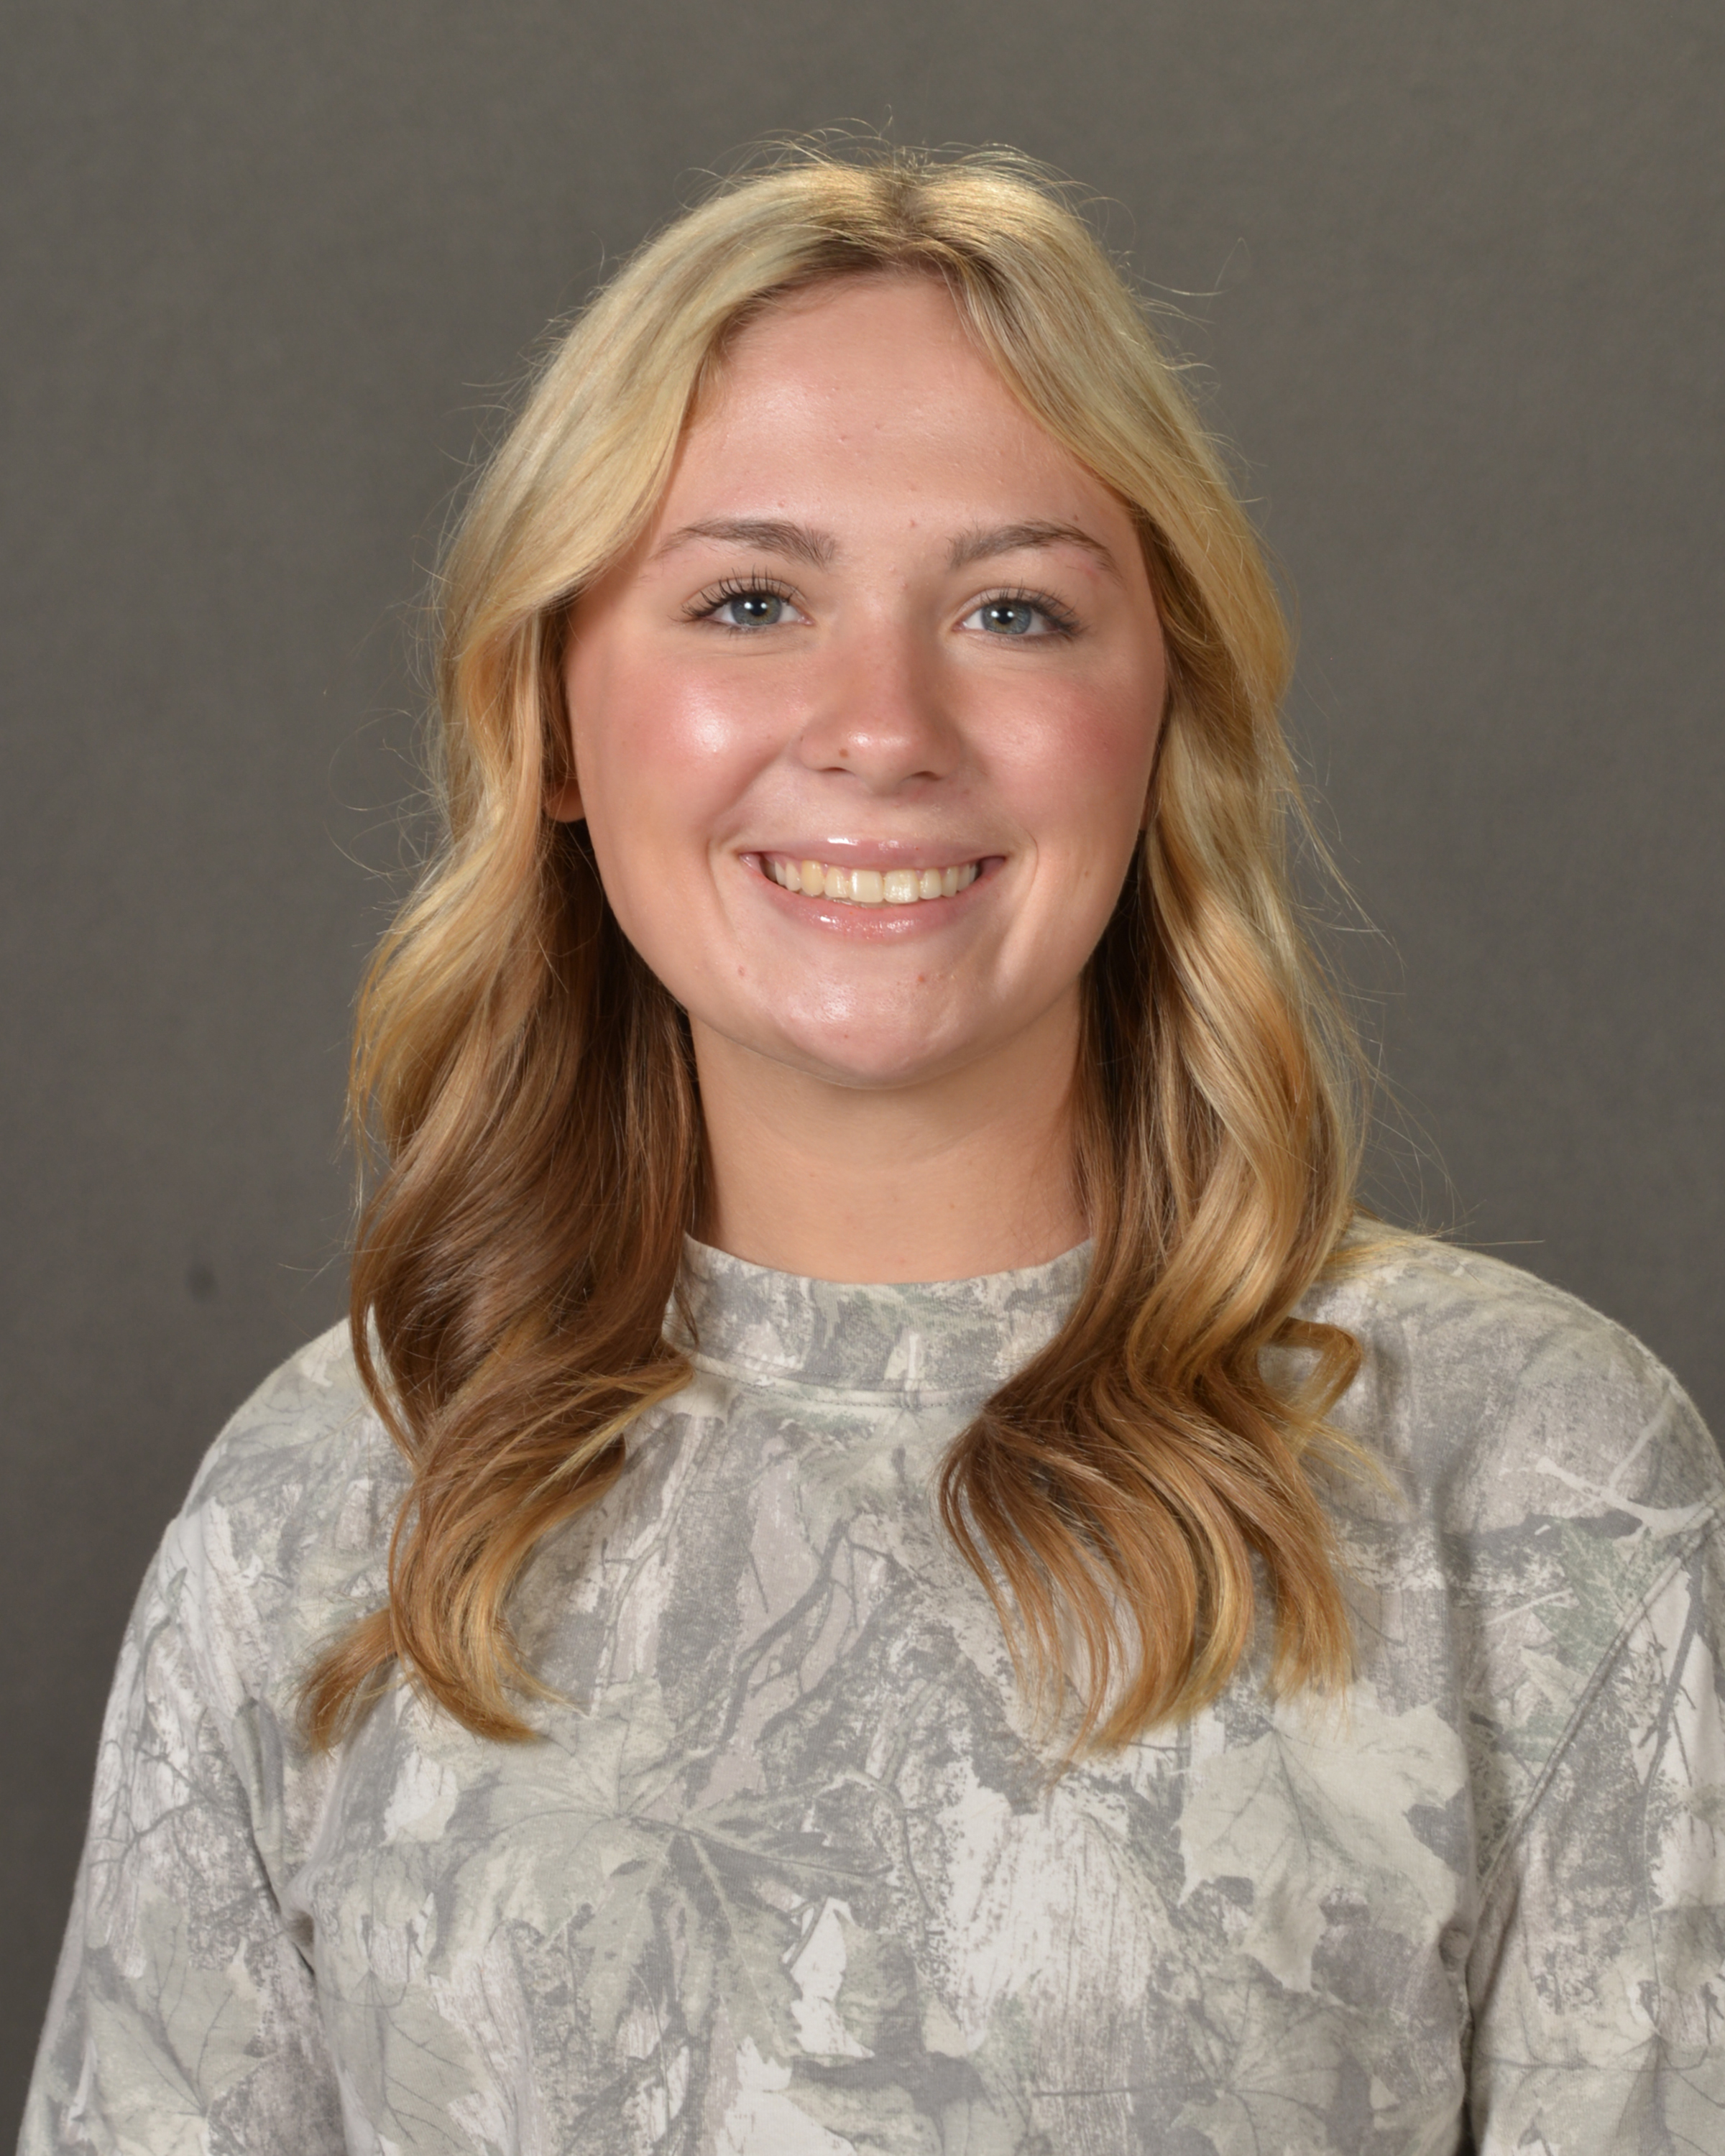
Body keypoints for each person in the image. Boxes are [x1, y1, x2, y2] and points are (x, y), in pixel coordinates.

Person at [21, 146, 1724, 2156]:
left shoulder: (1534, 1485)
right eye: (751, 601)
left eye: (1015, 610)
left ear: (1161, 717)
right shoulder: (329, 1504)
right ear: (553, 721)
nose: (884, 725)